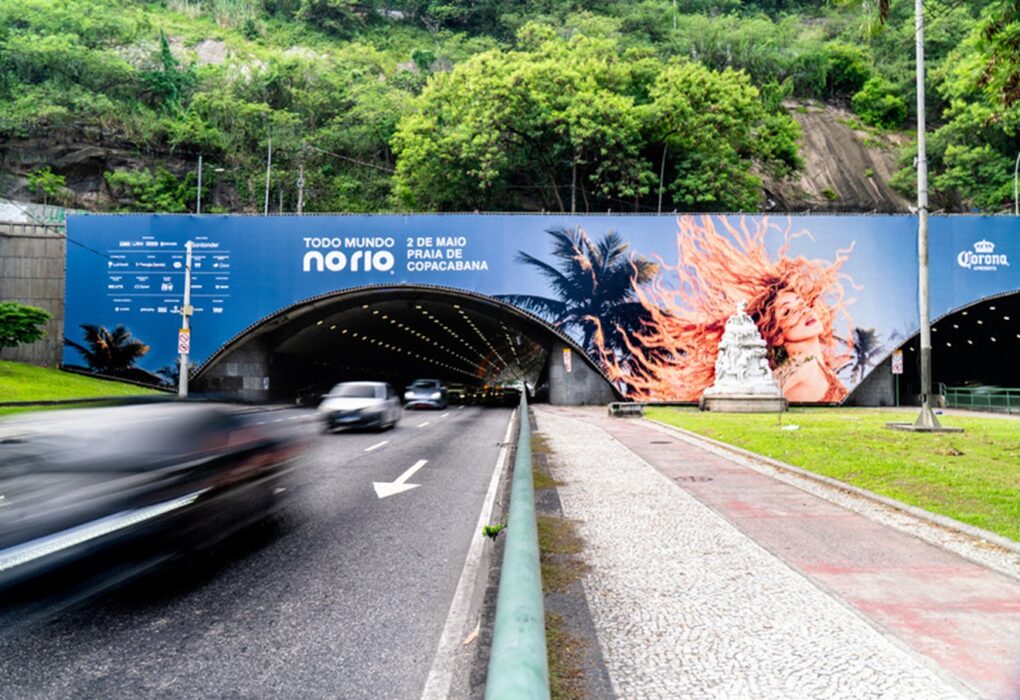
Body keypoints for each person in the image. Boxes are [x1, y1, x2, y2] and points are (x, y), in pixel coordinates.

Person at [594, 215, 852, 403]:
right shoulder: (803, 376)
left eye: (802, 304)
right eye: (787, 312)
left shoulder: (798, 371)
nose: (803, 312)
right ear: (775, 335)